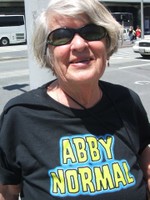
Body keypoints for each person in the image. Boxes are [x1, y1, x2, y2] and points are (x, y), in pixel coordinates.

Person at [0, 0, 150, 199]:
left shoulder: (128, 101)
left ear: (107, 44)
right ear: (48, 54)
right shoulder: (19, 115)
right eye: (61, 36)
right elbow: (7, 193)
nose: (79, 44)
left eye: (92, 32)